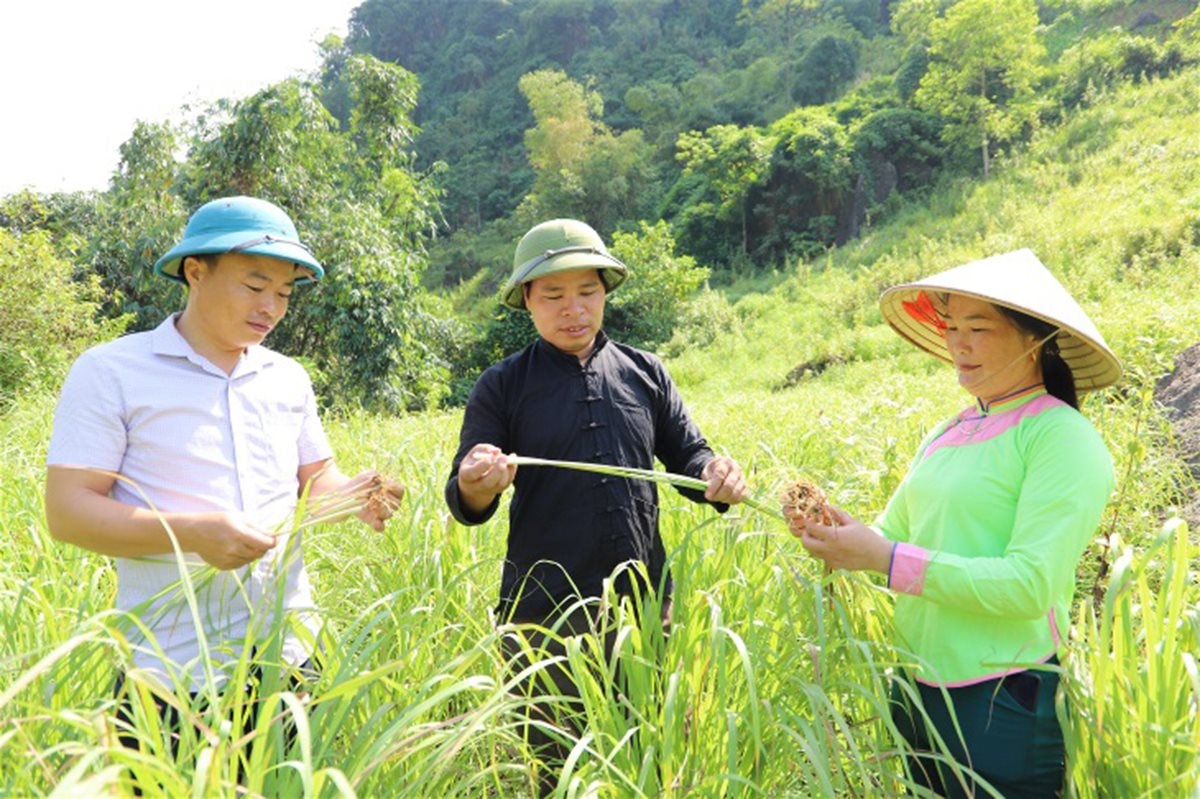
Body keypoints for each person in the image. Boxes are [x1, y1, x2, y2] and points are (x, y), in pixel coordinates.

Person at [43, 196, 404, 760]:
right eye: (255, 285)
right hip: (169, 672)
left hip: (288, 660)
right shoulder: (112, 371)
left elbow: (315, 483)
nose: (271, 307)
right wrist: (192, 533)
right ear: (195, 271)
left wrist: (357, 497)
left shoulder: (286, 377)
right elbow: (69, 511)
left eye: (284, 293)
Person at [787, 249, 1121, 798]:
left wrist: (884, 557)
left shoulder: (1059, 437)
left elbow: (1029, 585)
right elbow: (892, 538)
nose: (958, 344)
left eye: (979, 329)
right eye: (951, 327)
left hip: (1003, 694)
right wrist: (837, 535)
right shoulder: (950, 430)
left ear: (1035, 338)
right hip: (917, 687)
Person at [445, 218, 748, 791]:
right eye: (553, 295)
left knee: (650, 760)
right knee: (555, 771)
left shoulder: (645, 372)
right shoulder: (502, 385)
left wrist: (715, 473)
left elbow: (689, 456)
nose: (573, 309)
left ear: (606, 292)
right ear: (526, 299)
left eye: (587, 291)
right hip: (542, 617)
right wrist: (479, 480)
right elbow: (466, 497)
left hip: (644, 607)